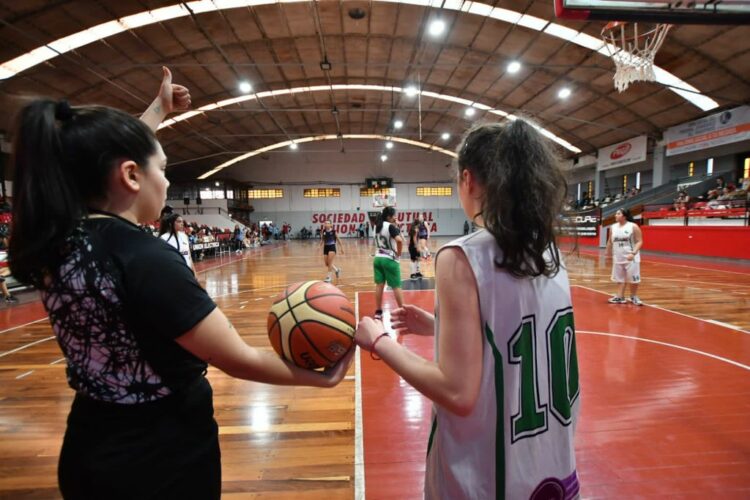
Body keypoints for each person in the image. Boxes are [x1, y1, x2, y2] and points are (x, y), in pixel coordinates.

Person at [7, 66, 353, 499]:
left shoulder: (58, 242)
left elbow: (98, 160)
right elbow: (237, 359)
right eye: (164, 169)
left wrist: (158, 111)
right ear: (131, 175)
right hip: (161, 457)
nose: (168, 182)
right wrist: (321, 378)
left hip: (88, 445)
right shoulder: (148, 259)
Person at [355, 119, 580, 498]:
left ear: (468, 179)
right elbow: (513, 331)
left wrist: (380, 342)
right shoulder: (549, 251)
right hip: (554, 468)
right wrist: (439, 325)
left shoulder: (462, 256)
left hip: (489, 476)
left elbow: (458, 393)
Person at [372, 206, 404, 320]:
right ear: (389, 217)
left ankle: (378, 311)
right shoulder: (390, 226)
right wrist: (399, 253)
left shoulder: (376, 226)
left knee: (379, 285)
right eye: (394, 215)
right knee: (396, 286)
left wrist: (396, 226)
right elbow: (400, 240)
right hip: (389, 259)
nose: (395, 217)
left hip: (377, 258)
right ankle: (402, 311)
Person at [607, 208, 643, 305]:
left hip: (631, 258)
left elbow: (639, 241)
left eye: (618, 213)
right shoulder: (613, 227)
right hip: (618, 257)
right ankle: (620, 297)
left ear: (624, 216)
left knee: (633, 279)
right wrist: (608, 253)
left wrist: (633, 253)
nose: (615, 215)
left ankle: (633, 296)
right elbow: (610, 241)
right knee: (620, 278)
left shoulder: (633, 226)